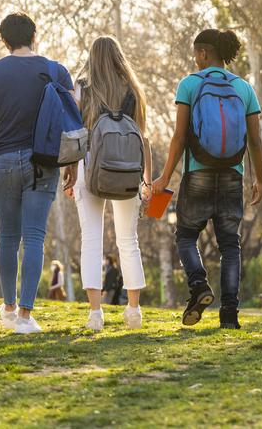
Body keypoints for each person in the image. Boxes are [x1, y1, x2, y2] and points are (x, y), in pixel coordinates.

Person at [152, 28, 262, 330]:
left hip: (198, 172)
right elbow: (255, 141)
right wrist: (259, 180)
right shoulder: (244, 88)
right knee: (230, 245)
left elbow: (178, 137)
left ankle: (199, 286)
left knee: (186, 236)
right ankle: (229, 314)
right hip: (233, 174)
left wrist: (163, 177)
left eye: (196, 55)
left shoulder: (190, 84)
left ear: (203, 53)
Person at [0, 12, 76, 335]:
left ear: (4, 40)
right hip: (42, 161)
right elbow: (72, 122)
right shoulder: (56, 71)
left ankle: (8, 306)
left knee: (8, 238)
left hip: (2, 161)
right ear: (35, 35)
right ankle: (26, 317)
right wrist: (72, 164)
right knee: (33, 237)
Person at [70, 35, 151, 331]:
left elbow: (75, 134)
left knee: (91, 239)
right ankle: (133, 310)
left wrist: (70, 173)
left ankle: (95, 313)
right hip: (129, 171)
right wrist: (147, 180)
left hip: (90, 169)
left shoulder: (82, 88)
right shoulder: (133, 90)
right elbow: (143, 138)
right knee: (128, 241)